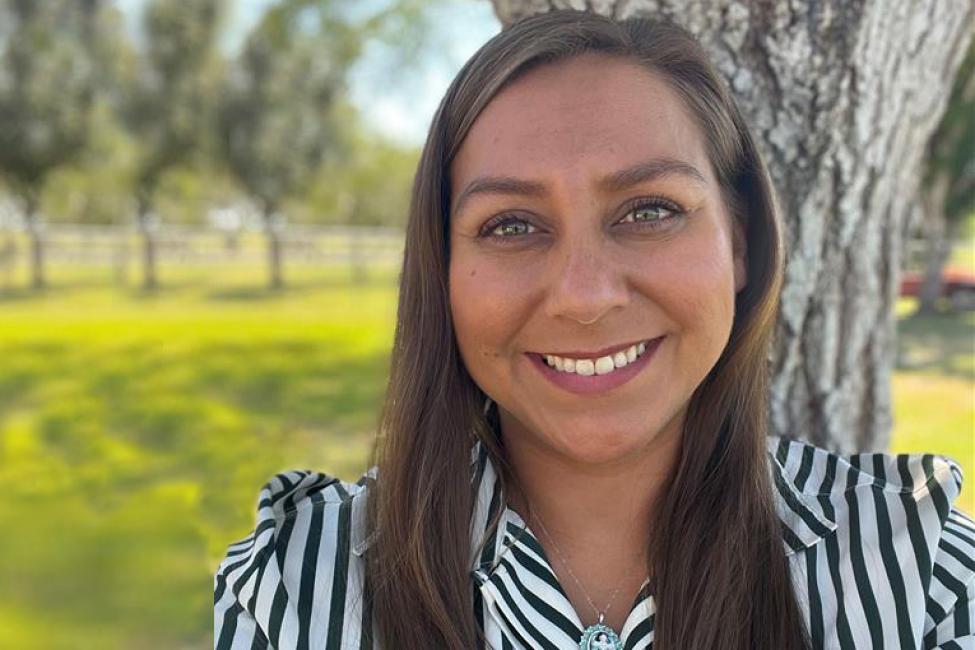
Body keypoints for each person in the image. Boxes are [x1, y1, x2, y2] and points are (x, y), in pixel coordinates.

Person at [214, 10, 974, 650]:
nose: (583, 296)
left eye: (649, 211)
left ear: (739, 243)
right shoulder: (297, 587)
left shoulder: (918, 574)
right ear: (441, 270)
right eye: (510, 224)